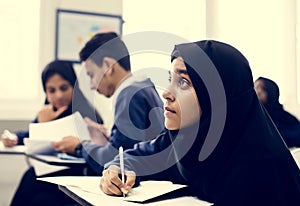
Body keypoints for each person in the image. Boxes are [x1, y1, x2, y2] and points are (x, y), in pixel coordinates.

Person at [99, 40, 300, 205]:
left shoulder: (259, 169)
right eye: (171, 79)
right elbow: (139, 156)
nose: (166, 93)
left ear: (219, 97)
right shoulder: (183, 140)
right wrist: (116, 170)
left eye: (184, 82)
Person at [51, 32, 165, 175]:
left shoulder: (128, 95)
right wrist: (109, 135)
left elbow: (115, 162)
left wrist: (80, 146)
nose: (92, 85)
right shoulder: (143, 87)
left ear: (108, 65)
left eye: (91, 75)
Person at [9, 60, 104, 206]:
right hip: (52, 177)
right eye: (52, 91)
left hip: (78, 178)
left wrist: (44, 125)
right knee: (41, 200)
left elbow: (99, 153)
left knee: (30, 178)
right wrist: (15, 137)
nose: (58, 95)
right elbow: (30, 136)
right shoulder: (48, 112)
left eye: (64, 88)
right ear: (46, 93)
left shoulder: (88, 115)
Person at [255, 77, 300, 147]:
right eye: (255, 88)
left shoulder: (285, 118)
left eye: (262, 88)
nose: (257, 92)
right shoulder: (255, 118)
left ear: (271, 92)